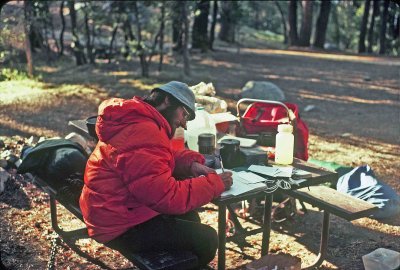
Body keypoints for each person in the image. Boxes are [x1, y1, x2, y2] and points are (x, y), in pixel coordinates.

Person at [79, 81, 233, 267]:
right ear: (167, 100)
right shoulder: (144, 130)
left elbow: (153, 159)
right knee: (207, 239)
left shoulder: (140, 119)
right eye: (184, 113)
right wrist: (215, 183)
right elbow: (167, 195)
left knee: (190, 217)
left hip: (109, 207)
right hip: (118, 223)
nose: (183, 124)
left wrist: (189, 164)